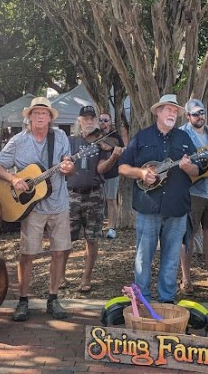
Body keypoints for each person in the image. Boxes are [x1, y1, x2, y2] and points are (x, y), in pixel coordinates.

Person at [0, 96, 75, 321]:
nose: (40, 117)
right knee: (27, 254)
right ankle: (23, 300)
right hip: (31, 208)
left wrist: (68, 167)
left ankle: (53, 298)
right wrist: (14, 179)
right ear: (29, 117)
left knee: (59, 252)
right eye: (35, 113)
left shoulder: (61, 136)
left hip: (59, 204)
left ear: (49, 118)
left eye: (44, 113)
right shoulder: (18, 141)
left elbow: (68, 163)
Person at [117, 94, 202, 303]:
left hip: (177, 208)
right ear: (158, 112)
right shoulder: (142, 137)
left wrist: (188, 166)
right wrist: (141, 173)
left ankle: (167, 300)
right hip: (148, 207)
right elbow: (122, 167)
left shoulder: (184, 139)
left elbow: (197, 170)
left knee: (172, 258)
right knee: (143, 257)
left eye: (175, 111)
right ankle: (142, 299)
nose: (173, 114)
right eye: (169, 110)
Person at [66, 105, 120, 293]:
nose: (89, 121)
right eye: (85, 118)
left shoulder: (102, 142)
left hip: (95, 194)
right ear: (79, 120)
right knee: (67, 238)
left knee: (92, 237)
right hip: (71, 194)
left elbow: (101, 169)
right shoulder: (70, 141)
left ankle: (86, 278)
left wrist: (113, 157)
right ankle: (61, 275)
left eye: (92, 118)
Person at [179, 98, 208, 293]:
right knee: (187, 237)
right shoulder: (181, 135)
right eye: (196, 113)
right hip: (191, 192)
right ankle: (185, 279)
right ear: (187, 115)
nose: (200, 117)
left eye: (202, 113)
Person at [98, 112, 124, 239]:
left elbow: (111, 148)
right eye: (101, 120)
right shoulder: (95, 135)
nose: (103, 122)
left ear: (110, 122)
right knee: (97, 201)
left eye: (106, 120)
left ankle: (111, 228)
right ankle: (97, 226)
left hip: (112, 173)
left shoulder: (116, 137)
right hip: (96, 173)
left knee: (111, 200)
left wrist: (103, 143)